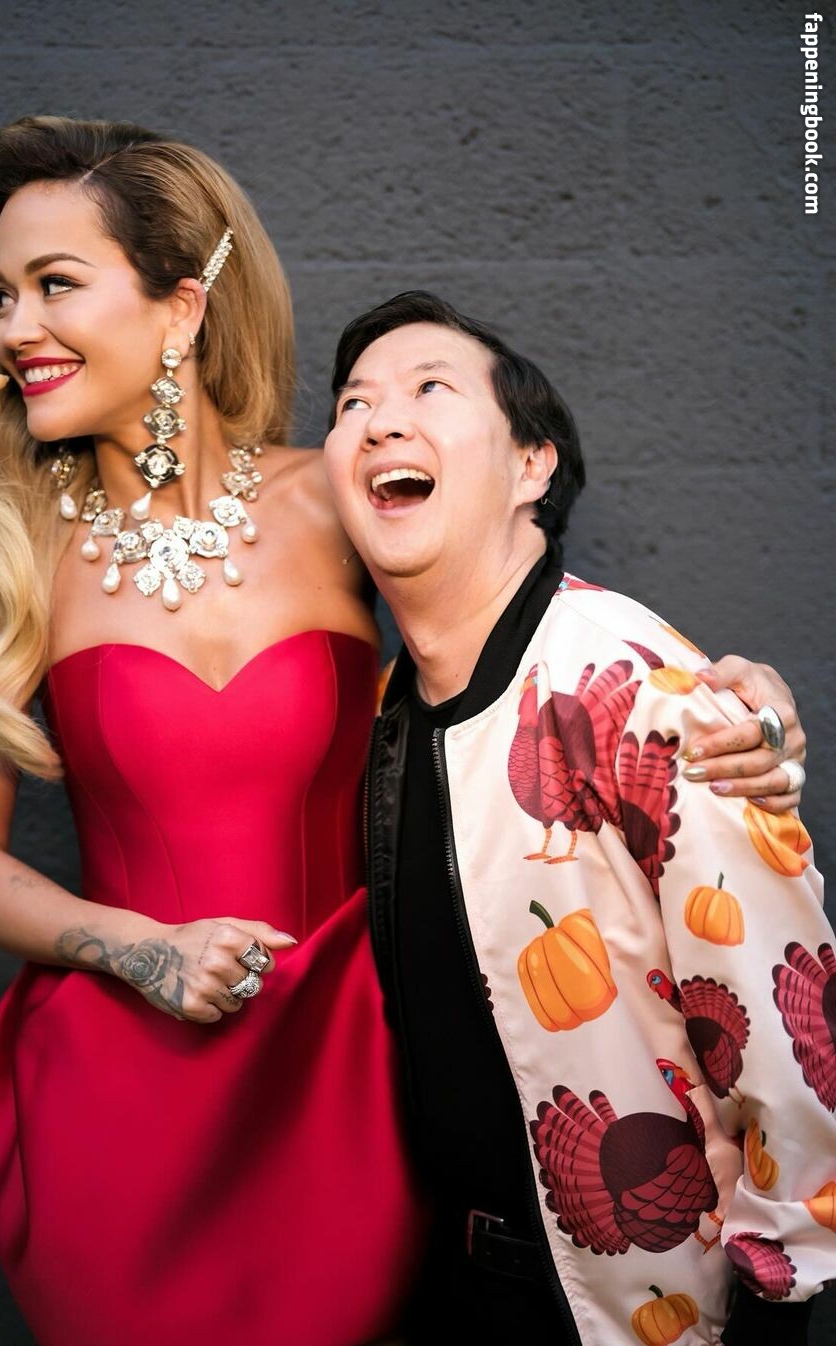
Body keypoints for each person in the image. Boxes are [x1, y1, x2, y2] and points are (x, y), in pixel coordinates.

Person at [0, 117, 805, 1346]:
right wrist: (142, 950)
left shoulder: (336, 496)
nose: (15, 327)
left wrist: (732, 695)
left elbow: (512, 634)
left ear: (181, 308)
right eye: (0, 296)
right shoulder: (13, 561)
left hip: (347, 1077)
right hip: (119, 1097)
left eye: (54, 284)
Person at [322, 290, 831, 1346]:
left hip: (651, 1317)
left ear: (531, 466)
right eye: (352, 404)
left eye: (429, 388)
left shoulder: (637, 684)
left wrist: (783, 1290)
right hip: (451, 1289)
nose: (378, 421)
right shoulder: (384, 713)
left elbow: (790, 1032)